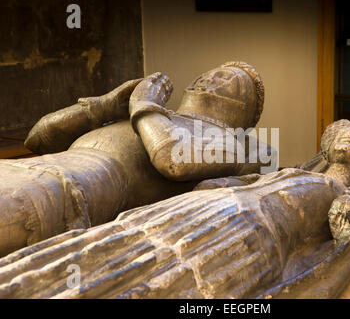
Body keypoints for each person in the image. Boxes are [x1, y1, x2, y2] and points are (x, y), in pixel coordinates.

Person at [0, 119, 350, 298]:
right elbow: (233, 179)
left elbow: (343, 252)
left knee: (157, 282)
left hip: (241, 238)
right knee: (101, 246)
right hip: (198, 211)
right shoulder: (293, 170)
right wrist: (217, 185)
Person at [0, 62, 270, 257]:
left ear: (242, 109)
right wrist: (102, 107)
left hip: (78, 185)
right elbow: (36, 140)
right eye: (210, 71)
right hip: (42, 164)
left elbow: (171, 160)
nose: (209, 77)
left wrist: (143, 105)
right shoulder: (155, 116)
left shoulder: (227, 142)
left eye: (227, 78)